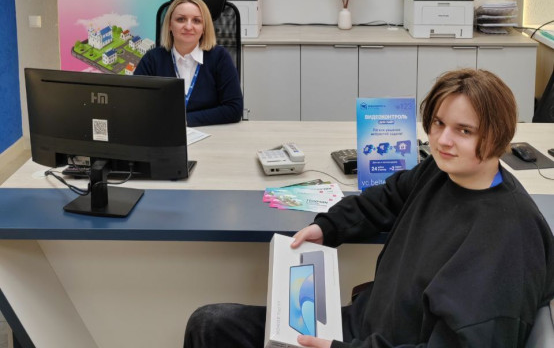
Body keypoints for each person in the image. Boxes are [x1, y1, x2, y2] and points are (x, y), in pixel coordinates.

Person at [183, 68, 554, 348]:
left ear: (497, 135)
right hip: (362, 325)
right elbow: (387, 197)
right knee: (208, 324)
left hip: (379, 342)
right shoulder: (443, 171)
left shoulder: (508, 237)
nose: (442, 140)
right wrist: (328, 227)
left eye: (464, 131)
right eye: (439, 123)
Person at [134, 0, 243, 127]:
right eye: (181, 19)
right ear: (169, 25)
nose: (188, 26)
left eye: (196, 21)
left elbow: (234, 109)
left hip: (211, 134)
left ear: (204, 28)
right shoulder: (152, 59)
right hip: (164, 133)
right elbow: (135, 105)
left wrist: (184, 120)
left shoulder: (220, 57)